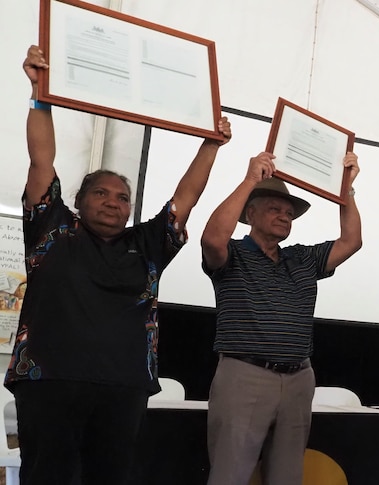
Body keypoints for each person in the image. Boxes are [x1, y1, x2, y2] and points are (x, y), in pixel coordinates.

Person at [6, 46, 231, 485]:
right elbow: (41, 161)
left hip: (123, 388)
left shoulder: (147, 244)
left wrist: (212, 145)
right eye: (101, 194)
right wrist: (40, 95)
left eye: (122, 197)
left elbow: (185, 199)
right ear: (78, 200)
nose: (113, 202)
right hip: (49, 382)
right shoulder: (54, 230)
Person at [201, 150, 361, 485]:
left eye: (289, 212)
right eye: (274, 209)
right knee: (229, 476)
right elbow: (211, 239)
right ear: (250, 214)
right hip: (244, 375)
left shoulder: (301, 258)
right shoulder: (231, 254)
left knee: (288, 478)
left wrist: (347, 190)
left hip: (299, 378)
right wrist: (249, 180)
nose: (284, 216)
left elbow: (351, 241)